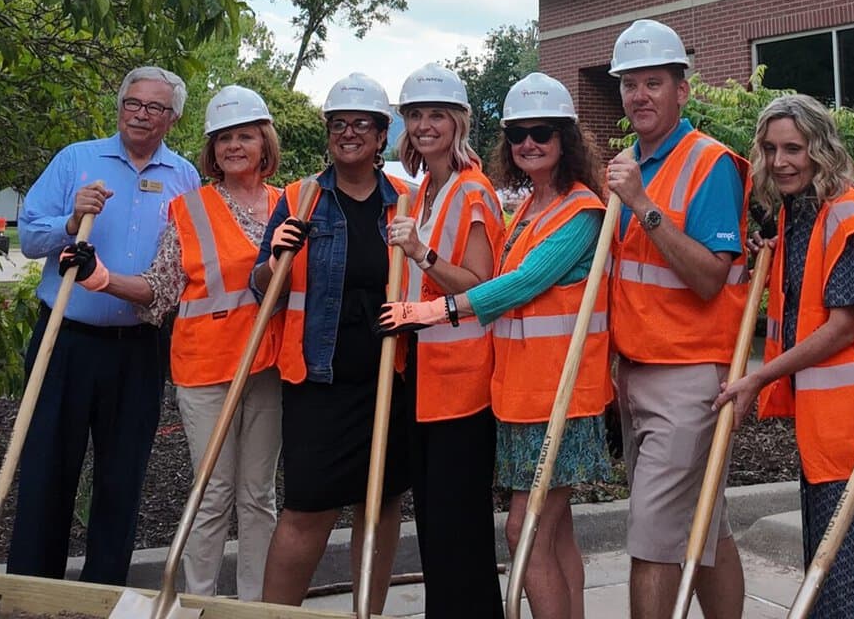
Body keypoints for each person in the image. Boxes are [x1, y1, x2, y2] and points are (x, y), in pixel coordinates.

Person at [382, 71, 613, 619]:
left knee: (524, 530)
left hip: (560, 395)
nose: (528, 144)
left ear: (567, 140)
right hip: (523, 393)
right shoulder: (532, 205)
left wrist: (433, 307)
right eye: (518, 135)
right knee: (555, 535)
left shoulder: (582, 212)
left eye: (542, 133)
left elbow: (519, 283)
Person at [717, 95, 854, 619]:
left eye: (794, 148)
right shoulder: (801, 217)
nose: (780, 161)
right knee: (841, 565)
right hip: (833, 429)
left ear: (821, 150)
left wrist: (759, 376)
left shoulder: (845, 215)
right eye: (770, 149)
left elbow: (843, 325)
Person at [11, 66, 197, 584]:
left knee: (122, 476)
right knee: (48, 469)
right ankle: (33, 588)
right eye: (133, 103)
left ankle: (103, 592)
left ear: (173, 118)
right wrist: (71, 222)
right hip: (65, 341)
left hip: (138, 348)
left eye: (155, 107)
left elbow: (185, 263)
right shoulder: (77, 160)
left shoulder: (184, 177)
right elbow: (29, 238)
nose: (141, 114)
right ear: (120, 107)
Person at [250, 73, 417, 613]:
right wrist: (275, 256)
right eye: (339, 124)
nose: (349, 134)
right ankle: (278, 614)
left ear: (380, 134)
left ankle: (367, 610)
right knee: (308, 507)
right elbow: (263, 288)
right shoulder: (301, 198)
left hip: (389, 375)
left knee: (382, 502)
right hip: (318, 380)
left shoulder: (408, 202)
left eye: (361, 124)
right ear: (329, 133)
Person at [600, 19, 749, 619]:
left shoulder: (708, 163)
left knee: (653, 538)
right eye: (629, 84)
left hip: (689, 376)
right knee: (705, 528)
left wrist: (642, 204)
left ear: (681, 90)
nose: (638, 95)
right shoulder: (628, 163)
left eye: (652, 83)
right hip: (635, 373)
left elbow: (710, 277)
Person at [145, 85, 285, 600]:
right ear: (211, 149)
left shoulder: (287, 203)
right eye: (223, 138)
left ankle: (255, 604)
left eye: (244, 136)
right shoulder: (189, 209)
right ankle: (197, 600)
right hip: (206, 369)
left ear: (263, 143)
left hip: (266, 366)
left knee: (258, 495)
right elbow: (159, 288)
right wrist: (99, 278)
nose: (233, 146)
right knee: (212, 492)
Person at [386, 64, 505, 619]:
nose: (425, 125)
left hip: (463, 384)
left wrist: (423, 256)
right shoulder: (427, 189)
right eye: (415, 115)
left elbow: (483, 287)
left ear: (458, 122)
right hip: (425, 377)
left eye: (436, 114)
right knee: (435, 524)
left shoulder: (473, 189)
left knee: (459, 528)